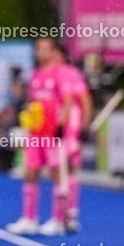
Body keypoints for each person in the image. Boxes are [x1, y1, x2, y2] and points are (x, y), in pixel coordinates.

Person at [7, 38, 73, 236]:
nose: (41, 52)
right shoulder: (35, 75)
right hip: (36, 134)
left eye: (46, 49)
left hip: (52, 134)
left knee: (56, 174)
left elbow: (68, 102)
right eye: (39, 49)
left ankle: (58, 219)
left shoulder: (60, 74)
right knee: (30, 173)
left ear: (53, 52)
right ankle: (29, 218)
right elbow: (33, 103)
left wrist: (61, 125)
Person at [51, 45, 92, 232]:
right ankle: (61, 215)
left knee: (67, 167)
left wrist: (84, 125)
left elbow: (84, 99)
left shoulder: (69, 73)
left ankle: (70, 214)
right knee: (58, 169)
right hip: (54, 125)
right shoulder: (48, 73)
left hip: (69, 126)